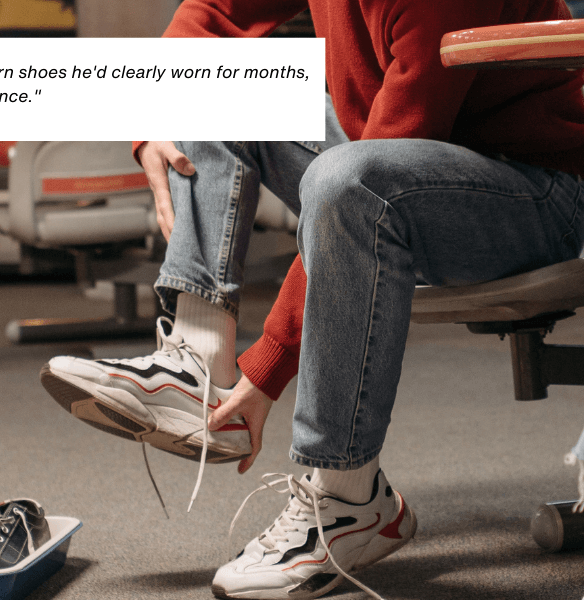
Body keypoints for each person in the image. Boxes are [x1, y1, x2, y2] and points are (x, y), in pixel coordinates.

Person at [40, 0, 584, 598]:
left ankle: (352, 501)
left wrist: (266, 369)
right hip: (398, 158)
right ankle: (194, 363)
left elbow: (386, 158)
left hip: (539, 195)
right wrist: (151, 127)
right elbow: (213, 12)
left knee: (348, 183)